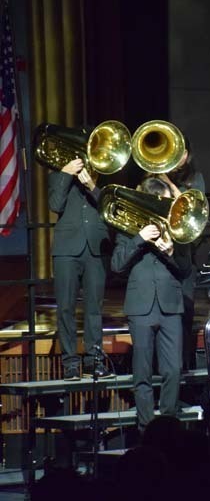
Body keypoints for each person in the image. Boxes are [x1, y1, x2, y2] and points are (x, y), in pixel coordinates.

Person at [110, 177, 192, 430]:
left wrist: (170, 253)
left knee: (173, 370)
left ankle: (167, 423)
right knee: (142, 373)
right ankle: (146, 428)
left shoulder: (177, 228)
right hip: (141, 307)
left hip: (170, 307)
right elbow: (116, 266)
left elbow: (186, 269)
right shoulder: (127, 228)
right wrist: (139, 238)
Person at [48, 157, 112, 380]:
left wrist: (92, 187)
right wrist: (66, 174)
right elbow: (55, 205)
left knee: (94, 307)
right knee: (65, 307)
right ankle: (70, 363)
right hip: (67, 249)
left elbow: (110, 209)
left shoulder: (104, 172)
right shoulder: (57, 175)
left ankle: (94, 360)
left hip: (95, 247)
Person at [146, 139, 206, 371]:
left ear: (187, 155)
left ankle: (183, 368)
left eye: (180, 153)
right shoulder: (152, 176)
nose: (175, 157)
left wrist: (168, 182)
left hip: (182, 255)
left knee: (184, 315)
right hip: (155, 256)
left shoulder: (194, 178)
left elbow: (193, 210)